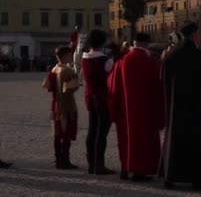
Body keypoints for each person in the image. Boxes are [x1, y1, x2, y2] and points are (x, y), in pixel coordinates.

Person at [160, 22, 201, 190]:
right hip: (197, 111)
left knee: (175, 142)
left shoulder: (170, 57)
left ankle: (171, 176)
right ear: (194, 35)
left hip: (176, 110)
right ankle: (198, 178)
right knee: (197, 145)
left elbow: (162, 83)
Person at [108, 33, 164, 181]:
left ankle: (125, 168)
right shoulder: (151, 63)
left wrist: (115, 108)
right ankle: (140, 171)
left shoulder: (121, 62)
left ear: (134, 42)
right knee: (143, 140)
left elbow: (112, 86)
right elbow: (158, 90)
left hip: (124, 111)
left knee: (126, 139)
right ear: (147, 44)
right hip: (146, 110)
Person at [80, 29, 115, 175]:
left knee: (92, 130)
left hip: (90, 95)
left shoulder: (84, 58)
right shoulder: (106, 60)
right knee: (102, 132)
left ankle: (91, 164)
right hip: (103, 98)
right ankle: (99, 165)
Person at [43, 46, 81, 170]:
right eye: (70, 55)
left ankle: (58, 159)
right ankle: (65, 160)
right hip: (67, 105)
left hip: (55, 104)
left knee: (57, 134)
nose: (71, 57)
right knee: (66, 134)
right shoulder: (68, 70)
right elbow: (72, 88)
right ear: (64, 56)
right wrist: (77, 77)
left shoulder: (53, 69)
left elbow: (48, 87)